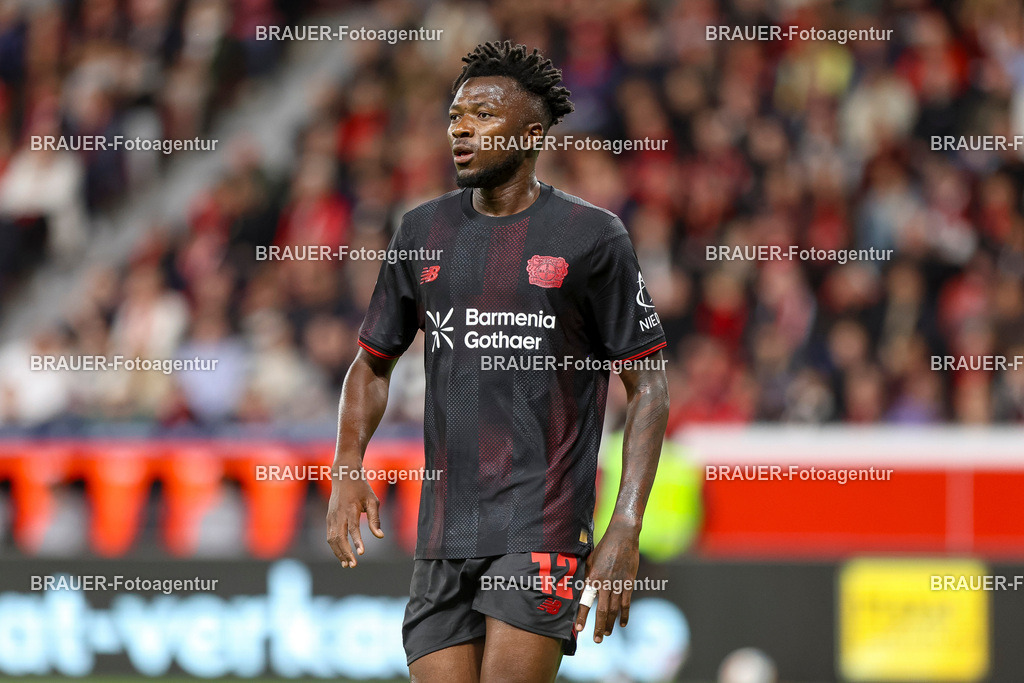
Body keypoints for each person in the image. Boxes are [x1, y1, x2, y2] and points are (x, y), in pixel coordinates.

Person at [326, 40, 670, 683]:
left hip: (540, 525)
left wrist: (625, 525)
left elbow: (648, 385)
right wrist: (347, 466)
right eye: (456, 115)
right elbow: (372, 363)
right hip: (442, 533)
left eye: (483, 116)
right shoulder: (421, 232)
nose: (461, 128)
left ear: (532, 133)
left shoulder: (593, 238)